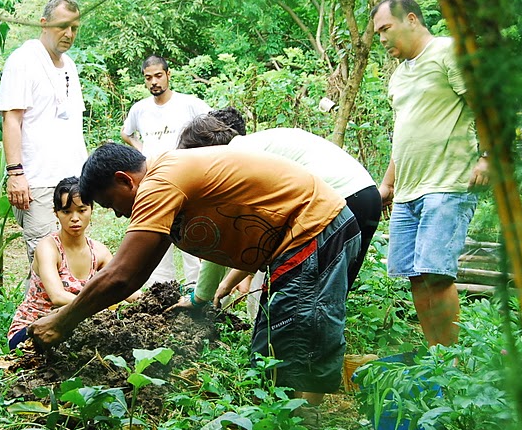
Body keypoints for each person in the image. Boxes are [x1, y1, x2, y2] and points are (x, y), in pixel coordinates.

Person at [28, 143, 361, 412]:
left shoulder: (159, 182)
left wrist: (62, 321)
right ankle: (300, 421)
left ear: (125, 180)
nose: (117, 213)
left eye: (111, 203)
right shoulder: (168, 179)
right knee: (282, 339)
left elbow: (122, 275)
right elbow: (140, 270)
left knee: (288, 339)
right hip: (313, 232)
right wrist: (198, 299)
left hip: (314, 229)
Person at [174, 111, 381, 313]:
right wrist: (226, 285)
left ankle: (281, 345)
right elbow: (261, 241)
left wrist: (200, 297)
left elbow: (217, 234)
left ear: (201, 153)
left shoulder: (233, 159)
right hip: (366, 196)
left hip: (338, 200)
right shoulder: (257, 145)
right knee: (329, 298)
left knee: (299, 304)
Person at [371, 0, 489, 346]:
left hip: (447, 183)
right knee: (414, 277)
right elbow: (403, 132)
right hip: (408, 192)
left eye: (385, 29)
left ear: (411, 19)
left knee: (436, 275)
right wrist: (387, 184)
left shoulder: (449, 52)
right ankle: (436, 358)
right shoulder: (399, 77)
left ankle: (451, 362)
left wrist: (490, 156)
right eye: (377, 34)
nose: (381, 39)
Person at [0, 0, 87, 266]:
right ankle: (38, 311)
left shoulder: (69, 65)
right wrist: (16, 174)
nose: (69, 34)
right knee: (46, 265)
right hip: (38, 183)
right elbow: (11, 119)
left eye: (74, 28)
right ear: (44, 24)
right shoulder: (23, 60)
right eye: (63, 26)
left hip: (72, 182)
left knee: (72, 262)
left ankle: (64, 310)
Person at [8, 177, 130, 350]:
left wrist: (148, 300)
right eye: (66, 212)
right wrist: (103, 310)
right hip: (33, 331)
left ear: (91, 210)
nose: (75, 218)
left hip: (71, 325)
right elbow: (57, 297)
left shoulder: (99, 252)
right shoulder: (48, 248)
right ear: (56, 213)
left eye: (81, 210)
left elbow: (122, 285)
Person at [120, 55, 211, 287]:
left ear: (168, 75)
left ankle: (197, 290)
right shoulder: (140, 109)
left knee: (190, 231)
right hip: (151, 179)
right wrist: (142, 150)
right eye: (148, 78)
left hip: (186, 178)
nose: (154, 82)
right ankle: (163, 290)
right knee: (156, 233)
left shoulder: (189, 103)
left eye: (158, 76)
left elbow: (214, 125)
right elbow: (126, 132)